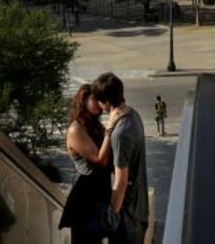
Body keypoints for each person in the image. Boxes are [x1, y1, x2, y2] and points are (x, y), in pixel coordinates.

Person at [59, 83, 124, 244]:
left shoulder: (95, 126)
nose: (99, 102)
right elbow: (100, 160)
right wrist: (110, 129)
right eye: (95, 99)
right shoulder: (76, 129)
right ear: (83, 101)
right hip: (86, 197)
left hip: (101, 192)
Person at [92, 72, 148, 244]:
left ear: (107, 103)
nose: (99, 106)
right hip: (140, 207)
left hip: (127, 216)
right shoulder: (134, 116)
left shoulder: (120, 134)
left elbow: (121, 181)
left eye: (99, 102)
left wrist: (112, 218)